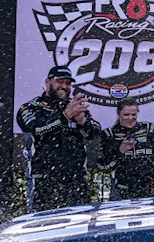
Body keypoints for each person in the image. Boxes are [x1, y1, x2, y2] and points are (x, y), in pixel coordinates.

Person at [16, 65, 102, 211]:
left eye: (68, 83)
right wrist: (65, 116)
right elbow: (37, 130)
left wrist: (82, 122)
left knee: (79, 227)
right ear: (48, 82)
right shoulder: (31, 107)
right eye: (59, 81)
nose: (64, 86)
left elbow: (95, 133)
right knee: (42, 227)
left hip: (76, 181)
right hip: (44, 180)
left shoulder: (74, 106)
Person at [97, 99, 154, 200]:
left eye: (134, 114)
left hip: (151, 189)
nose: (130, 118)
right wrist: (119, 152)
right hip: (123, 191)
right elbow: (102, 166)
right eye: (126, 115)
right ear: (118, 114)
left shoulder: (149, 129)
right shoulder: (109, 134)